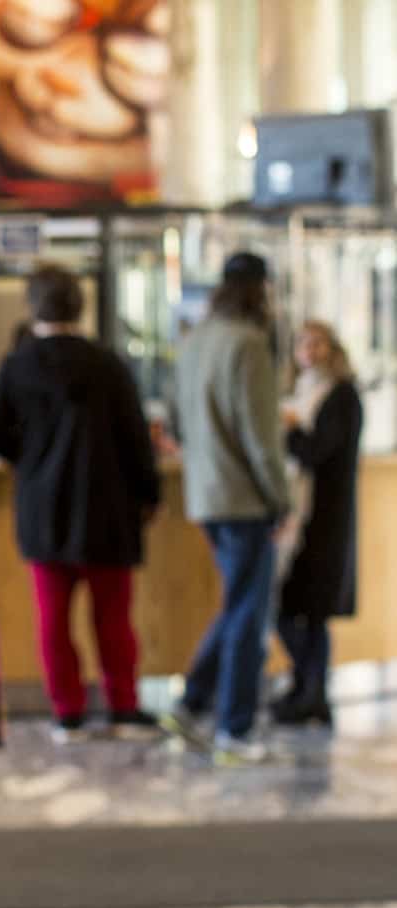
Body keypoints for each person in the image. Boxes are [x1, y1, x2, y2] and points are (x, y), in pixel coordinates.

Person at [0, 265, 161, 743]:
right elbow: (135, 440)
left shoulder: (16, 365)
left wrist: (29, 463)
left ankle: (67, 714)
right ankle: (123, 707)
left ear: (32, 306)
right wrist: (149, 495)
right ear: (80, 306)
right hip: (108, 510)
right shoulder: (108, 364)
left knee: (53, 620)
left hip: (42, 511)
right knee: (113, 618)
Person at [167, 251, 289, 765]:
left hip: (205, 496)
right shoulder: (249, 344)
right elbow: (262, 439)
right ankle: (234, 731)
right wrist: (281, 498)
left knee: (238, 602)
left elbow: (175, 423)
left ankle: (193, 702)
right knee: (248, 615)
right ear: (261, 291)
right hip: (244, 499)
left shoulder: (195, 341)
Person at [273, 320, 364, 726]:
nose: (309, 351)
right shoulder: (300, 392)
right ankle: (306, 688)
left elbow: (316, 451)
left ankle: (313, 692)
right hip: (299, 517)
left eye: (316, 343)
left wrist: (289, 430)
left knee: (312, 611)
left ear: (332, 348)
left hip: (324, 519)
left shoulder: (342, 395)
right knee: (292, 608)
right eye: (302, 344)